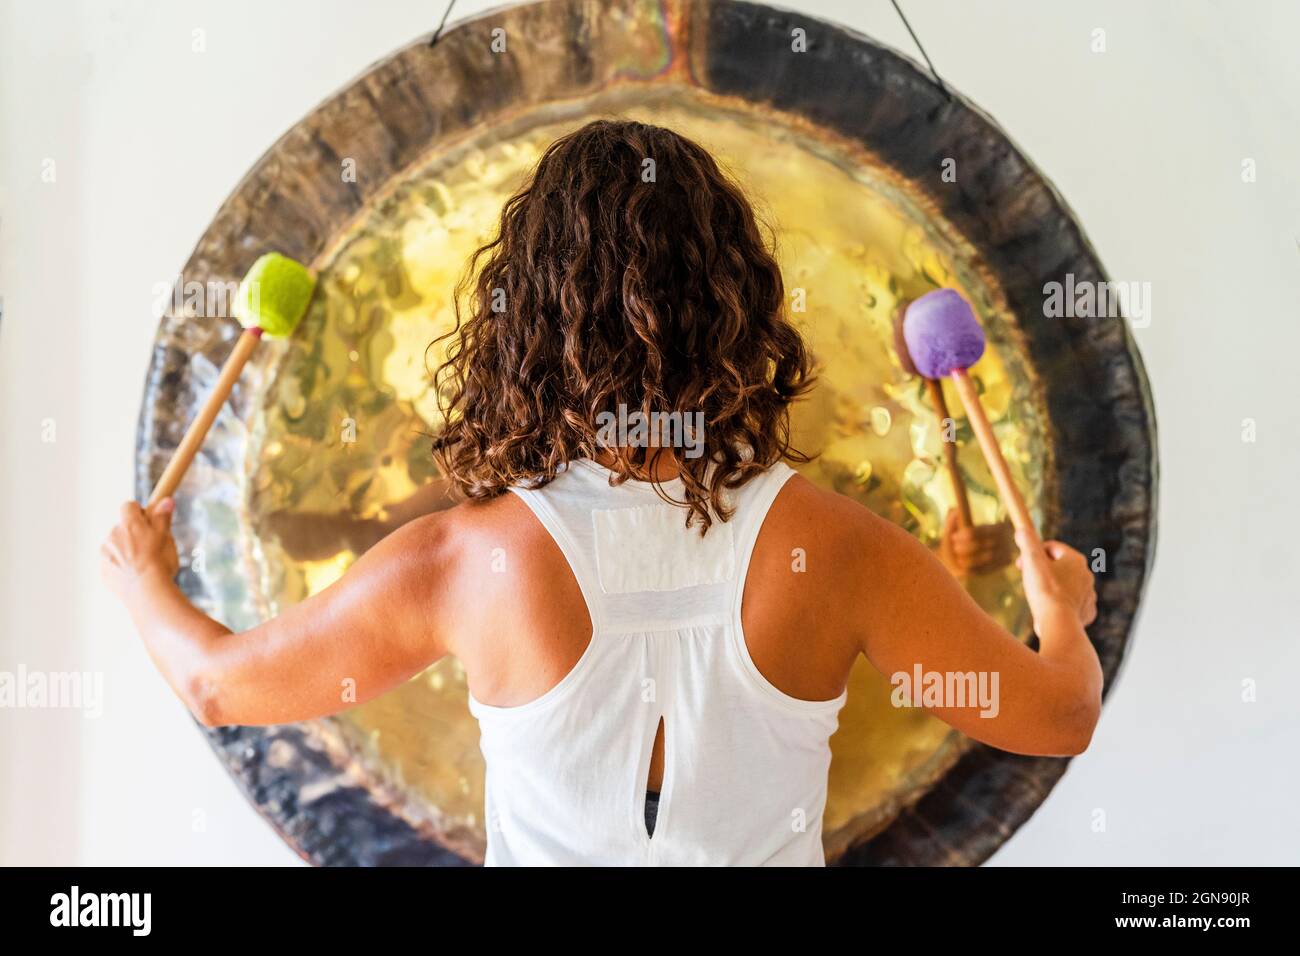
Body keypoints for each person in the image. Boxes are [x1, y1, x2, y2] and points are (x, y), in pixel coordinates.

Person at [102, 119, 1101, 866]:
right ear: (737, 306)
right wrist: (1061, 617)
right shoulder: (835, 547)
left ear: (526, 323)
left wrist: (146, 579)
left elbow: (217, 683)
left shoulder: (468, 563)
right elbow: (1055, 715)